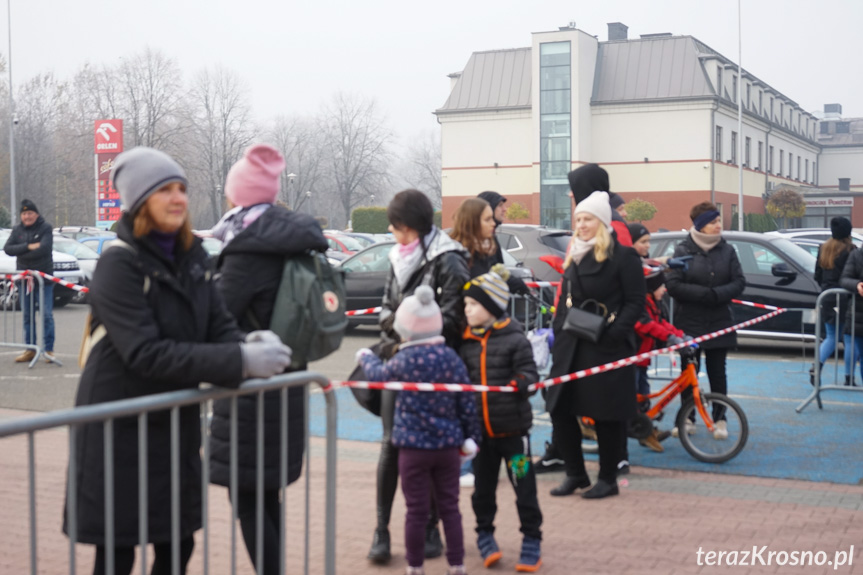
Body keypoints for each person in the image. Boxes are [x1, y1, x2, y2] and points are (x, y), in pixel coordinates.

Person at [62, 147, 292, 575]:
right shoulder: (119, 265)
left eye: (182, 188)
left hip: (171, 427)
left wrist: (247, 341)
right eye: (165, 189)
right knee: (117, 552)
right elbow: (146, 353)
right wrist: (239, 360)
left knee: (177, 545)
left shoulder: (194, 259)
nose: (178, 198)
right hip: (119, 429)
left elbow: (219, 325)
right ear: (139, 200)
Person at [208, 144, 329, 574]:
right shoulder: (290, 241)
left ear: (237, 195)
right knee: (265, 494)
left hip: (251, 392)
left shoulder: (246, 250)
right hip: (287, 380)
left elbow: (217, 314)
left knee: (248, 498)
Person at [365, 189, 470, 564]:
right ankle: (381, 529)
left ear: (411, 228)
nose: (394, 236)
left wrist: (413, 337)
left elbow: (454, 319)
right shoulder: (398, 257)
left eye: (397, 229)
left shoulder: (449, 259)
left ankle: (430, 526)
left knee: (431, 451)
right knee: (391, 446)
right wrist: (395, 338)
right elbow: (385, 307)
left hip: (436, 371)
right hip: (399, 362)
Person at [357, 285, 481, 575]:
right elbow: (466, 401)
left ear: (405, 330)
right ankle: (457, 564)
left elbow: (377, 376)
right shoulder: (452, 359)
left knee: (415, 511)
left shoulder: (402, 360)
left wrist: (366, 357)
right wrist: (471, 438)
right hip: (448, 448)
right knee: (450, 508)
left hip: (412, 449)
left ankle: (415, 567)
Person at [545, 191, 645, 499]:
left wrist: (614, 334)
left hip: (606, 346)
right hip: (571, 344)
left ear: (602, 221)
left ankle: (607, 478)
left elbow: (634, 302)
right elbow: (565, 300)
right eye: (578, 219)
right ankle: (575, 474)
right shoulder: (576, 254)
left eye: (587, 219)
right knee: (559, 407)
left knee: (606, 415)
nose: (581, 224)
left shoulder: (623, 256)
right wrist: (558, 334)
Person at [460, 264, 542, 572]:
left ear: (492, 307)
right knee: (483, 490)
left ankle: (532, 539)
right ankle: (484, 535)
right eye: (466, 304)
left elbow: (530, 373)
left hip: (514, 437)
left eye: (473, 304)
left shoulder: (515, 339)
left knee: (524, 486)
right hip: (481, 438)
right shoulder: (466, 341)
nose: (466, 310)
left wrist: (521, 381)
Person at [665, 201, 745, 439]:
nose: (718, 225)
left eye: (719, 221)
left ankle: (720, 419)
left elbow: (739, 282)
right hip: (689, 322)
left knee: (717, 372)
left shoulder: (728, 251)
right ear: (700, 225)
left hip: (719, 321)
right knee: (689, 371)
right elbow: (673, 284)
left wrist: (718, 295)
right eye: (713, 222)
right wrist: (703, 295)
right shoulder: (683, 250)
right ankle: (687, 419)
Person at [633, 266, 688, 452]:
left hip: (642, 361)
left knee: (644, 397)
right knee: (631, 399)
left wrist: (681, 335)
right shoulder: (641, 304)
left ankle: (646, 431)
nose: (664, 290)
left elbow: (661, 323)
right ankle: (628, 432)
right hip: (632, 359)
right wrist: (669, 338)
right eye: (661, 287)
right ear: (651, 288)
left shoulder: (653, 304)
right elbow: (646, 325)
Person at [3, 199, 55, 363]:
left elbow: (44, 249)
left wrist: (22, 252)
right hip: (25, 282)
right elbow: (8, 249)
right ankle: (30, 349)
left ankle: (49, 350)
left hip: (43, 281)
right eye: (24, 214)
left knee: (46, 315)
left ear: (36, 214)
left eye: (30, 213)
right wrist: (28, 246)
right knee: (27, 316)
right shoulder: (17, 229)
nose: (27, 216)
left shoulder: (45, 228)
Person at [810, 217, 855, 386]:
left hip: (827, 297)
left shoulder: (823, 248)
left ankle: (816, 366)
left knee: (830, 337)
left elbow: (817, 275)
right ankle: (849, 378)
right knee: (849, 338)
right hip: (846, 298)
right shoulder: (850, 250)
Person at [451, 197, 529, 295]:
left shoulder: (487, 250)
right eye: (487, 219)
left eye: (492, 218)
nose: (493, 223)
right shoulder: (454, 256)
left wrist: (515, 284)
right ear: (472, 222)